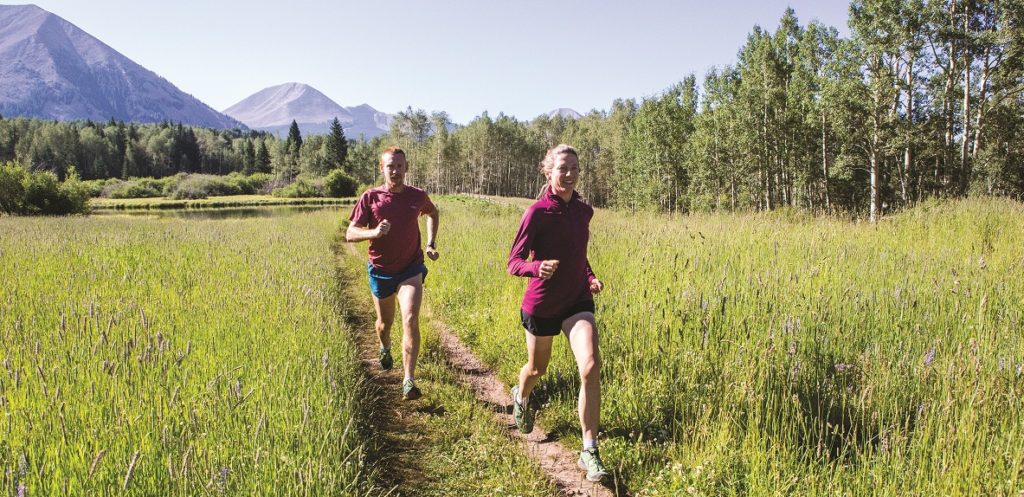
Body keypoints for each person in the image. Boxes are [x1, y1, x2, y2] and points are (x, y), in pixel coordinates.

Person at [507, 144, 609, 482]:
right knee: (537, 368)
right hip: (542, 304)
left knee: (591, 365)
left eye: (574, 169)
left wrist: (590, 276)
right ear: (548, 172)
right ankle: (521, 396)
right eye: (562, 168)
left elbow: (578, 253)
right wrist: (536, 268)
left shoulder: (584, 211)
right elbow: (514, 262)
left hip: (577, 301)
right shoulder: (536, 213)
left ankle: (589, 449)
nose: (569, 174)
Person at [346, 146, 439, 401]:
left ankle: (409, 379)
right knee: (384, 324)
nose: (395, 171)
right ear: (382, 168)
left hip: (411, 268)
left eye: (399, 166)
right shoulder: (370, 197)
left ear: (406, 167)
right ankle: (385, 346)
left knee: (410, 318)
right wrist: (373, 233)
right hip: (381, 270)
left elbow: (432, 213)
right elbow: (350, 233)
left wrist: (430, 243)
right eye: (390, 166)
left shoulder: (417, 196)